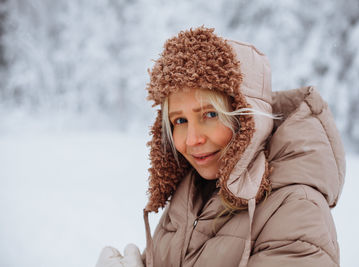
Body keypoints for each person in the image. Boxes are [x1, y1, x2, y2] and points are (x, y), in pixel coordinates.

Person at [96, 26, 345, 267]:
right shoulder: (190, 193)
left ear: (249, 119)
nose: (192, 139)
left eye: (210, 115)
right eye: (180, 121)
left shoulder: (295, 209)